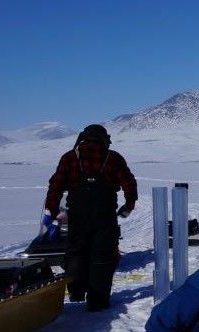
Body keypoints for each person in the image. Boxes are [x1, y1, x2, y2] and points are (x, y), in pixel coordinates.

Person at [45, 124, 137, 311]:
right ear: (104, 139)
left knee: (76, 253)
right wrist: (128, 206)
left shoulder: (69, 158)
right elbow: (129, 184)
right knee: (102, 257)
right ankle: (98, 301)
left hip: (77, 217)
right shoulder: (113, 158)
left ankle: (76, 292)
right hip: (105, 217)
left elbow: (55, 185)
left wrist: (51, 210)